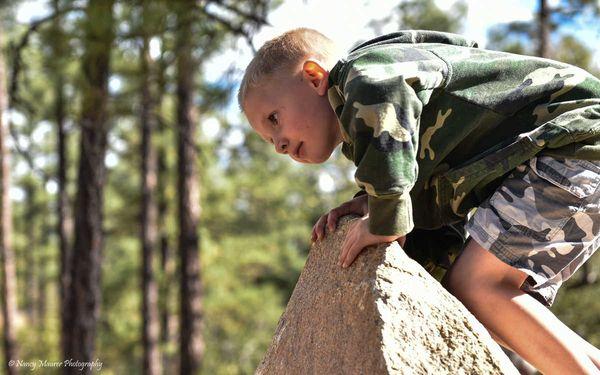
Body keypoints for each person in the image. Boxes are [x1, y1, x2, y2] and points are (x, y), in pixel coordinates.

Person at [238, 27, 600, 374]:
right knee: (482, 304)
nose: (280, 144)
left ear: (315, 77)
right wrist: (372, 200)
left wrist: (385, 212)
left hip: (571, 141)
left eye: (274, 119)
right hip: (563, 156)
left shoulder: (365, 76)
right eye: (270, 141)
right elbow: (435, 213)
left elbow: (384, 102)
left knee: (478, 285)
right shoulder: (383, 134)